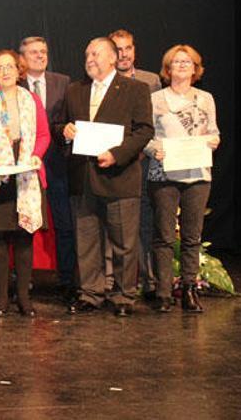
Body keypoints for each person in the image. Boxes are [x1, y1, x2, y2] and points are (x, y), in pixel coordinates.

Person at [55, 37, 153, 317]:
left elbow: (144, 130)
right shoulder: (75, 90)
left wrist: (117, 154)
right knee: (86, 242)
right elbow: (59, 125)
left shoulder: (135, 89)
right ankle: (91, 294)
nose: (89, 59)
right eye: (86, 54)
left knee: (124, 242)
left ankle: (123, 296)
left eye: (95, 54)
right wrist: (64, 131)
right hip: (83, 178)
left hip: (119, 177)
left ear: (113, 57)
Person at [0, 50, 50, 317]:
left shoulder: (32, 100)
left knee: (25, 237)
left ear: (19, 70)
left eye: (10, 67)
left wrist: (36, 155)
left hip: (26, 170)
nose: (5, 72)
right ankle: (1, 297)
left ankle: (24, 297)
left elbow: (44, 134)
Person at [145, 45, 220, 313]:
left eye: (187, 62)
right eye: (176, 62)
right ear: (167, 68)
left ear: (196, 68)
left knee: (192, 236)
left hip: (197, 174)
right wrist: (155, 149)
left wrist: (213, 141)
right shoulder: (155, 99)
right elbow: (144, 136)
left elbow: (214, 132)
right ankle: (164, 292)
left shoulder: (205, 98)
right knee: (164, 236)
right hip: (163, 174)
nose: (182, 65)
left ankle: (189, 289)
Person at [18, 36, 75, 298]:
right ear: (22, 58)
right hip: (23, 165)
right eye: (34, 52)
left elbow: (68, 119)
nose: (40, 56)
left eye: (44, 51)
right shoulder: (13, 83)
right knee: (22, 225)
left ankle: (67, 279)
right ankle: (23, 279)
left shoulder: (62, 82)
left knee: (64, 223)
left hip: (57, 163)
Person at [110, 28, 162, 299]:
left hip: (141, 162)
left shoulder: (150, 80)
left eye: (128, 48)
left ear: (134, 50)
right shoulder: (102, 81)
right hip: (112, 161)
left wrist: (142, 148)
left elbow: (153, 123)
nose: (124, 54)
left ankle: (149, 280)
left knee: (144, 221)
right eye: (117, 49)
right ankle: (116, 281)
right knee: (115, 225)